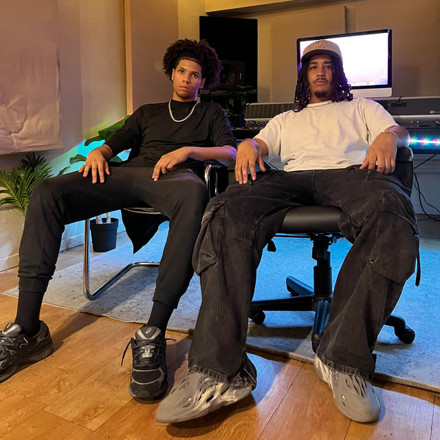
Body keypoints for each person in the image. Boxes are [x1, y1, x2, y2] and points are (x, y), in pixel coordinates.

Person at [156, 40, 419, 424]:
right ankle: (219, 371)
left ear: (338, 72)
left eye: (328, 65)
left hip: (351, 175)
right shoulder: (285, 118)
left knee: (393, 214)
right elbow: (260, 143)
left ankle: (343, 359)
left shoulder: (363, 107)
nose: (321, 72)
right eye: (313, 66)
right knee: (225, 211)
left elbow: (398, 131)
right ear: (304, 75)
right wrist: (249, 145)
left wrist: (389, 137)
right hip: (288, 178)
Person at [0, 39, 236, 402]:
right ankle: (27, 329)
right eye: (181, 71)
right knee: (48, 191)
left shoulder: (210, 113)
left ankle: (152, 332)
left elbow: (230, 152)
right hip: (129, 175)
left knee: (194, 194)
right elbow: (116, 142)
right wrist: (100, 152)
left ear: (203, 81)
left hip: (176, 180)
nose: (187, 79)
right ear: (171, 73)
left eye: (195, 75)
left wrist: (188, 151)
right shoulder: (147, 112)